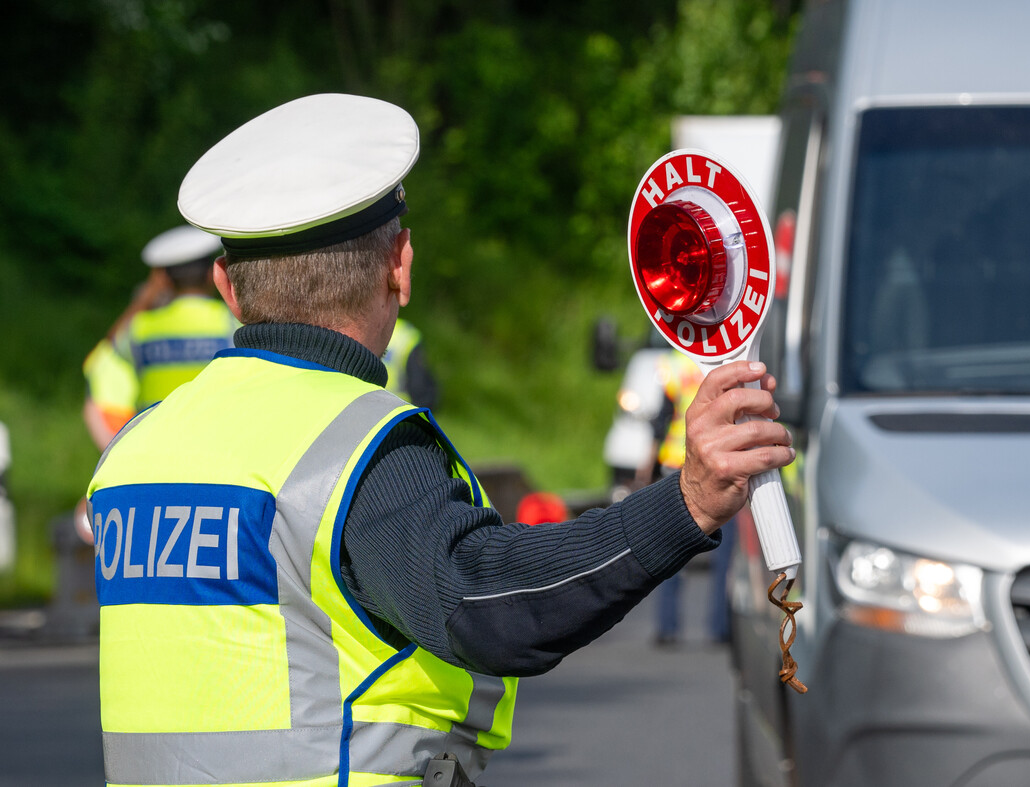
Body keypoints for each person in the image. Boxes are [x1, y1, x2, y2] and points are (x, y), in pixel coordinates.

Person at [86, 93, 794, 786]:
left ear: (225, 286)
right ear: (401, 264)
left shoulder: (133, 455)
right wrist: (687, 502)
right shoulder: (353, 448)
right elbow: (494, 605)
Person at [82, 225, 237, 450]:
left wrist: (144, 300)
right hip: (214, 446)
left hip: (153, 449)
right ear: (210, 274)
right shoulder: (232, 324)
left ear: (164, 279)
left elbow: (107, 354)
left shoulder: (140, 329)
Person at [649, 350, 737, 647]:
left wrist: (647, 466)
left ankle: (667, 627)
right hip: (723, 465)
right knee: (724, 557)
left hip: (676, 465)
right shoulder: (729, 360)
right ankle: (720, 628)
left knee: (669, 551)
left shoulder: (673, 365)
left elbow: (661, 420)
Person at [381, 316, 438, 408]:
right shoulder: (406, 334)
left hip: (363, 404)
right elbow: (419, 385)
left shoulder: (360, 326)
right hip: (400, 409)